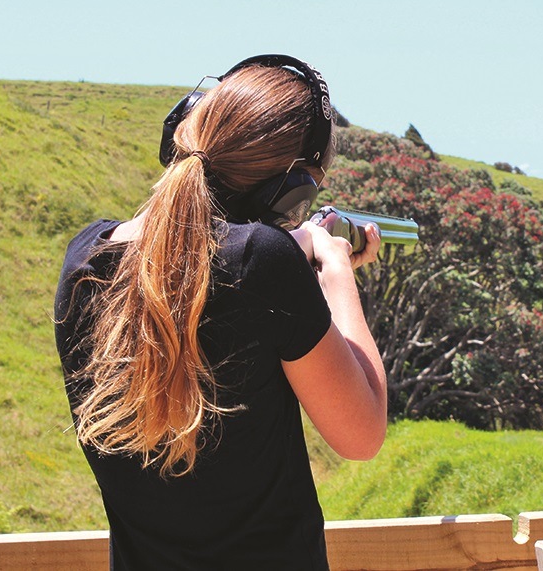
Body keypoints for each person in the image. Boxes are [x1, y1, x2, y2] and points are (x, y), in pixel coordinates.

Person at [53, 56, 387, 570]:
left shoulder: (85, 258)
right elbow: (362, 434)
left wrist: (292, 247)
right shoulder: (264, 263)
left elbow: (206, 266)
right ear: (291, 190)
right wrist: (336, 269)